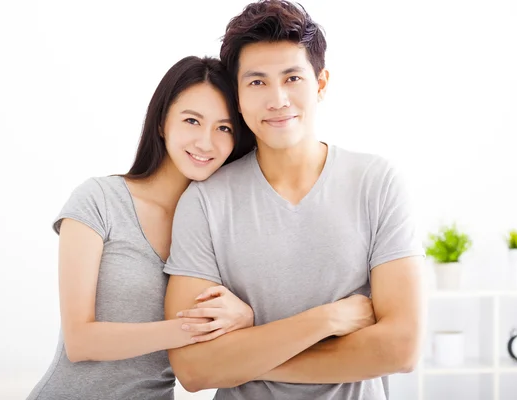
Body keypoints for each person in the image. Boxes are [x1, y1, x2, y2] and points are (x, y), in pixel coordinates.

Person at [162, 1, 426, 399]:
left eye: (292, 78)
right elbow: (195, 369)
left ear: (320, 84)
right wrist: (327, 319)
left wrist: (245, 358)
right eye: (256, 82)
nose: (278, 99)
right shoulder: (205, 202)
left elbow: (401, 348)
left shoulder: (376, 182)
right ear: (237, 95)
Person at [26, 56, 258, 400]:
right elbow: (80, 341)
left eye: (223, 128)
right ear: (162, 122)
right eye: (192, 120)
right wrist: (199, 326)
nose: (206, 142)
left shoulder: (218, 230)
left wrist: (246, 316)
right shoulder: (99, 199)